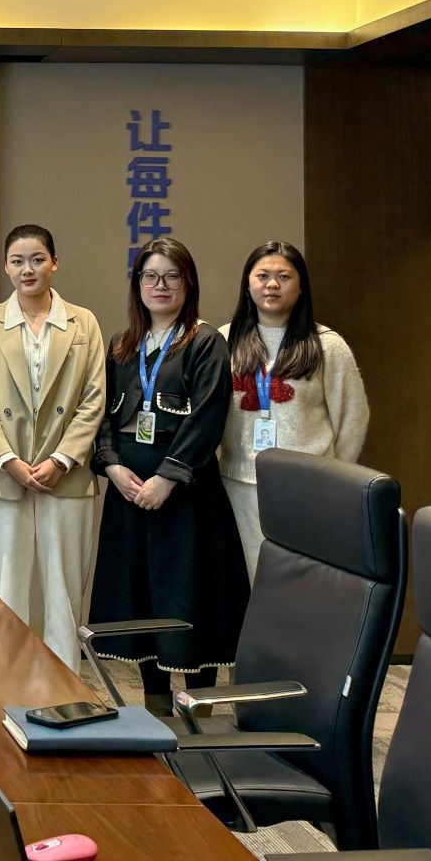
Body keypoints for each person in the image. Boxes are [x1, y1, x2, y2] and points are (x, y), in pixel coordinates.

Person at [86, 237, 248, 712]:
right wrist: (112, 466)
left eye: (172, 276)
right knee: (142, 602)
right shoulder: (122, 345)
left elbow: (208, 417)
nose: (160, 285)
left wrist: (167, 478)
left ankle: (200, 716)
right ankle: (156, 710)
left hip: (186, 497)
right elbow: (101, 416)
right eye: (150, 276)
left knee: (192, 600)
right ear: (138, 284)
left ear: (188, 284)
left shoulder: (205, 342)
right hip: (129, 494)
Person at [0, 225, 106, 661]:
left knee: (64, 592)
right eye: (17, 261)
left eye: (37, 259)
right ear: (6, 268)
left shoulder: (83, 322)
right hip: (3, 476)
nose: (28, 269)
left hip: (66, 476)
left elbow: (93, 399)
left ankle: (63, 686)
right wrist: (9, 460)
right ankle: (8, 686)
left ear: (54, 263)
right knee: (6, 590)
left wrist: (61, 459)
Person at [219, 240, 370, 578]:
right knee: (246, 583)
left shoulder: (327, 345)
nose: (272, 285)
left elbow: (352, 419)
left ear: (301, 287)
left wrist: (332, 477)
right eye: (263, 276)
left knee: (301, 583)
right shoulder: (224, 341)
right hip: (238, 488)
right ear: (247, 284)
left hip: (308, 490)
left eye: (284, 277)